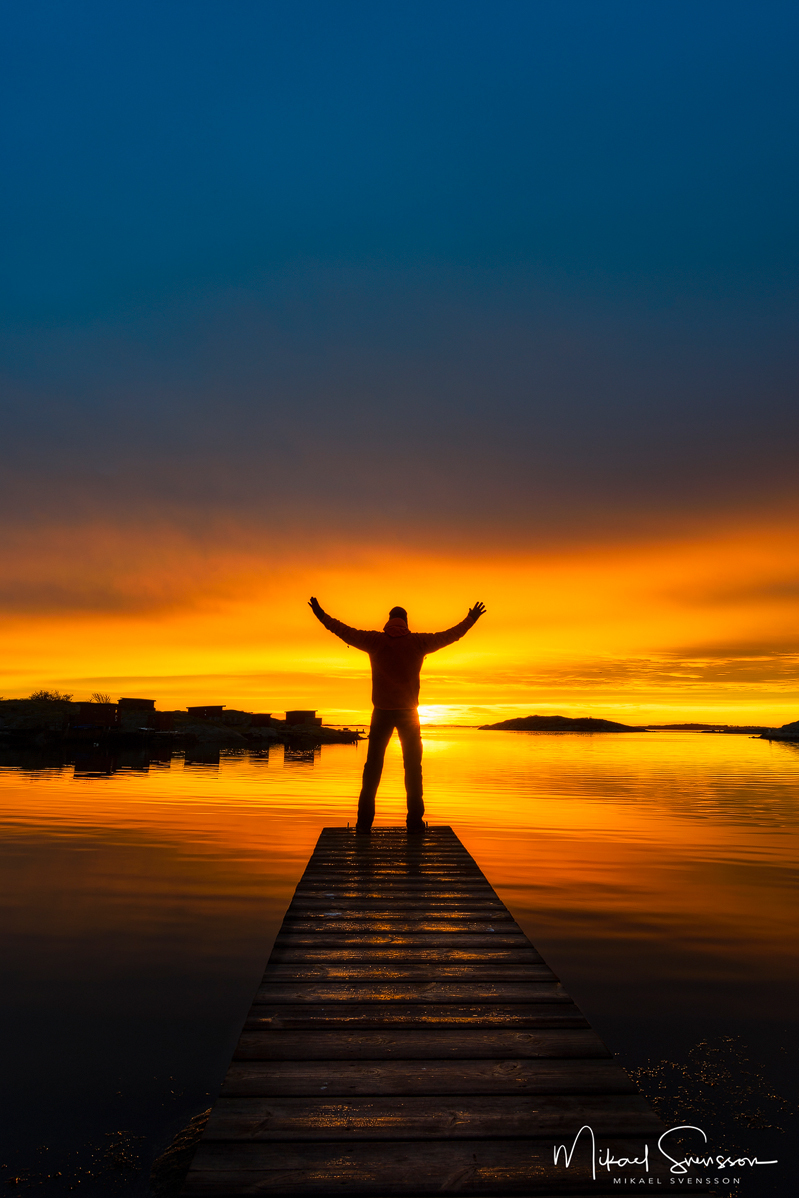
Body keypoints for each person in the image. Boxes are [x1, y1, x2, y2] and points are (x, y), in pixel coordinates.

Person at [308, 597, 486, 833]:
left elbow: (342, 630)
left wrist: (320, 614)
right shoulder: (419, 642)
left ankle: (363, 825)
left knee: (372, 769)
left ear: (389, 621)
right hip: (408, 715)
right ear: (406, 622)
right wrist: (471, 619)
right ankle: (414, 823)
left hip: (381, 713)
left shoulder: (374, 640)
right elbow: (450, 635)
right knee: (413, 769)